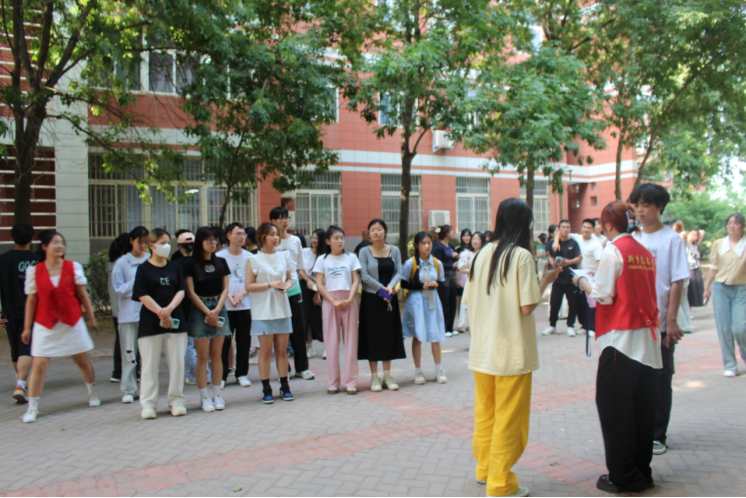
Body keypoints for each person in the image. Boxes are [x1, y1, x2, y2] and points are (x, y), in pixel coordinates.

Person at [464, 199, 561, 498]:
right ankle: (501, 484)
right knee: (509, 420)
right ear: (523, 224)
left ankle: (485, 470)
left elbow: (469, 300)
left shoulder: (482, 253)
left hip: (483, 351)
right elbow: (527, 306)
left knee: (486, 414)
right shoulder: (521, 256)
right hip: (511, 352)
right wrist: (546, 280)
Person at [572, 202, 661, 494]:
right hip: (647, 339)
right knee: (642, 408)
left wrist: (581, 280)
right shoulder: (644, 252)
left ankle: (624, 475)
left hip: (620, 342)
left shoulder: (613, 250)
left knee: (615, 408)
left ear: (608, 225)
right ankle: (641, 471)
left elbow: (602, 293)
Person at [629, 183, 688, 457]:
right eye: (636, 205)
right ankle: (638, 431)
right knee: (635, 379)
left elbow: (677, 282)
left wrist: (671, 321)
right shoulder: (632, 238)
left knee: (660, 380)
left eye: (645, 205)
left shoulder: (671, 240)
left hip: (660, 323)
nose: (640, 210)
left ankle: (657, 434)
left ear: (659, 207)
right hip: (633, 323)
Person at [20, 232, 101, 424]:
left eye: (62, 243)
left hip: (72, 321)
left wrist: (92, 318)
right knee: (39, 365)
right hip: (45, 323)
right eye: (55, 242)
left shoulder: (73, 267)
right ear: (44, 247)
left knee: (82, 360)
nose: (59, 246)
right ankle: (32, 407)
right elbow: (31, 301)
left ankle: (93, 392)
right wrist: (27, 327)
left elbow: (82, 295)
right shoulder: (34, 271)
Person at [132, 228, 189, 419]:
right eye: (162, 243)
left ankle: (176, 400)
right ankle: (149, 404)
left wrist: (169, 309)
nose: (166, 246)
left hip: (176, 320)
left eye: (168, 242)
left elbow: (181, 290)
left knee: (177, 363)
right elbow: (142, 294)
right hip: (150, 323)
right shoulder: (143, 269)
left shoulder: (175, 267)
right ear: (152, 245)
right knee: (149, 365)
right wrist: (161, 313)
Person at [245, 222, 295, 404]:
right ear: (262, 237)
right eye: (271, 234)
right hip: (263, 311)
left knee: (282, 351)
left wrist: (286, 285)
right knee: (265, 352)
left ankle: (285, 386)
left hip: (282, 309)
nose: (275, 238)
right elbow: (249, 286)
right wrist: (270, 285)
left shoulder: (284, 256)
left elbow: (289, 278)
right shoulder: (254, 259)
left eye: (277, 234)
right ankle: (266, 389)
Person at [183, 227, 231, 413]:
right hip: (199, 309)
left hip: (219, 307)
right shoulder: (190, 264)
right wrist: (207, 312)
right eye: (208, 240)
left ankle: (217, 395)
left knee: (217, 355)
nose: (213, 243)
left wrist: (216, 310)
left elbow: (225, 288)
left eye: (215, 239)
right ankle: (204, 397)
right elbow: (190, 291)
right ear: (199, 242)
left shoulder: (221, 262)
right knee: (202, 357)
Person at [358, 219, 406, 392]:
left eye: (379, 229)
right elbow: (363, 274)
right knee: (372, 337)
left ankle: (387, 375)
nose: (376, 232)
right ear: (369, 234)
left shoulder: (394, 250)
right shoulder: (364, 251)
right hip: (371, 299)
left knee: (388, 336)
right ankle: (374, 377)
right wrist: (381, 289)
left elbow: (399, 271)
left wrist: (390, 287)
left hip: (389, 297)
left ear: (385, 232)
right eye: (372, 230)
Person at [313, 226, 362, 395]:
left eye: (342, 238)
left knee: (351, 342)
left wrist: (349, 300)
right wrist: (333, 300)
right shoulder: (322, 260)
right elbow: (319, 284)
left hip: (349, 300)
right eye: (336, 238)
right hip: (330, 301)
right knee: (331, 342)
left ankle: (351, 382)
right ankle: (333, 382)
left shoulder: (351, 258)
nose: (340, 241)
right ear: (328, 241)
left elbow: (355, 281)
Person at [269, 207, 314, 380]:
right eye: (280, 218)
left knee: (299, 330)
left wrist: (307, 280)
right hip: (276, 291)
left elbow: (300, 266)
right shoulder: (270, 241)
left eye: (286, 217)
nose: (284, 221)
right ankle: (285, 369)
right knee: (280, 331)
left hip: (294, 289)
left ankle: (302, 368)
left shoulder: (295, 241)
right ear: (273, 221)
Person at [401, 231, 448, 385]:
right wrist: (421, 286)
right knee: (418, 336)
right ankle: (418, 371)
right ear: (417, 245)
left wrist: (435, 284)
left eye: (429, 242)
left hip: (432, 301)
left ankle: (439, 369)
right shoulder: (411, 263)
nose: (427, 246)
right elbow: (404, 283)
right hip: (417, 302)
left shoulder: (437, 263)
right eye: (423, 243)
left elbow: (441, 281)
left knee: (435, 335)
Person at [703, 213, 746, 378]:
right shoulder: (719, 244)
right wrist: (707, 288)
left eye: (736, 223)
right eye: (729, 223)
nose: (732, 226)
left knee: (740, 328)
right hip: (721, 289)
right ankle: (730, 365)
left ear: (742, 226)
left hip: (741, 289)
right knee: (724, 328)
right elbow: (714, 267)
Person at [0, 222, 38, 404]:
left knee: (16, 350)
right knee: (26, 349)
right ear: (31, 238)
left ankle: (21, 382)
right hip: (31, 313)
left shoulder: (3, 260)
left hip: (8, 312)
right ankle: (20, 384)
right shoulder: (37, 260)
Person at [111, 226, 150, 404]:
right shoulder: (122, 263)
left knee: (148, 354)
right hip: (128, 315)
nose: (143, 246)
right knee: (129, 353)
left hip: (149, 313)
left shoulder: (151, 260)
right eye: (140, 242)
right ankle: (128, 389)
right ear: (131, 241)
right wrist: (138, 282)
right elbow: (119, 289)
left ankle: (148, 388)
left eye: (146, 242)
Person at [216, 223, 253, 388]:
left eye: (243, 234)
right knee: (223, 342)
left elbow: (253, 280)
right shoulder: (219, 256)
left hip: (245, 305)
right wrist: (227, 295)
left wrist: (242, 293)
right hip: (225, 306)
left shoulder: (250, 257)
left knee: (244, 341)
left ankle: (242, 373)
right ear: (228, 236)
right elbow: (217, 281)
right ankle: (222, 375)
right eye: (238, 233)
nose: (242, 237)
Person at [544, 220, 582, 337]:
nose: (566, 229)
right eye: (563, 227)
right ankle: (552, 326)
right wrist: (554, 265)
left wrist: (568, 262)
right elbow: (550, 257)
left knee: (572, 304)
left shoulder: (574, 243)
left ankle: (570, 326)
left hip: (571, 279)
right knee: (554, 303)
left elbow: (578, 257)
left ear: (570, 229)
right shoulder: (554, 243)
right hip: (557, 279)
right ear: (559, 229)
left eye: (568, 227)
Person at [570, 219, 604, 336]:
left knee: (592, 304)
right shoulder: (577, 238)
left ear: (593, 230)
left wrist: (596, 274)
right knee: (581, 303)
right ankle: (584, 325)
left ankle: (592, 328)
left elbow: (599, 261)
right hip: (579, 276)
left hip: (591, 277)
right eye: (584, 227)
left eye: (589, 228)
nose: (586, 230)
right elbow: (562, 232)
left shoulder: (596, 244)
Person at [107, 233, 129, 383]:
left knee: (120, 340)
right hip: (124, 308)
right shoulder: (121, 264)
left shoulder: (112, 263)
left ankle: (118, 371)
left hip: (117, 309)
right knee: (126, 341)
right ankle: (121, 371)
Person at [302, 229, 326, 359]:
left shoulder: (325, 256)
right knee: (307, 318)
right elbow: (299, 269)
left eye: (316, 238)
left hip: (320, 289)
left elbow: (324, 277)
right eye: (312, 238)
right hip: (305, 287)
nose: (313, 240)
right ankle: (309, 347)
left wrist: (317, 293)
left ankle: (327, 347)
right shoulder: (305, 252)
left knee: (321, 318)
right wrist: (308, 280)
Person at [432, 225, 459, 338]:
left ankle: (451, 328)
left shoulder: (451, 245)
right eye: (452, 231)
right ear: (447, 233)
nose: (453, 233)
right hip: (444, 277)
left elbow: (455, 257)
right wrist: (451, 265)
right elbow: (438, 263)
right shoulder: (439, 247)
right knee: (445, 303)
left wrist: (456, 256)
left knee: (453, 302)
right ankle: (444, 328)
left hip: (452, 276)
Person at [457, 231, 485, 332]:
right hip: (472, 283)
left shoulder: (485, 254)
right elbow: (462, 269)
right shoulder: (466, 254)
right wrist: (475, 271)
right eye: (473, 239)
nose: (475, 241)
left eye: (478, 239)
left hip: (484, 284)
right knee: (470, 306)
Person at [686, 229, 706, 308]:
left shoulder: (695, 244)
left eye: (695, 235)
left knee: (695, 292)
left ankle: (690, 310)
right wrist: (686, 234)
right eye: (691, 234)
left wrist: (695, 234)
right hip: (688, 269)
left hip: (696, 269)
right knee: (688, 292)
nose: (693, 236)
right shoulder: (684, 243)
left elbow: (702, 232)